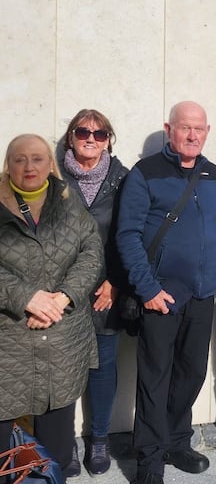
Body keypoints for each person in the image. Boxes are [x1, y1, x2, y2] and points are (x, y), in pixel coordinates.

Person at [116, 101, 216, 484]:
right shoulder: (145, 174)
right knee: (154, 379)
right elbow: (127, 235)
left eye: (199, 129)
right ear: (169, 129)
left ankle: (178, 440)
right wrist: (147, 289)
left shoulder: (213, 174)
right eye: (185, 128)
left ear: (207, 132)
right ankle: (149, 459)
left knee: (191, 372)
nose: (192, 135)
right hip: (160, 296)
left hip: (202, 295)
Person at [0, 134, 103, 483]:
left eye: (37, 158)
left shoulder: (66, 199)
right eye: (19, 159)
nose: (29, 167)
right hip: (9, 348)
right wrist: (26, 297)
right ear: (7, 165)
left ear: (50, 163)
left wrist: (62, 297)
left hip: (62, 346)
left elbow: (92, 252)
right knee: (6, 458)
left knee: (56, 452)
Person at [59, 109, 129, 476]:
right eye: (83, 132)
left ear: (108, 140)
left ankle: (98, 439)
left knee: (102, 368)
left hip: (105, 291)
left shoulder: (122, 179)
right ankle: (64, 443)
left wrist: (115, 281)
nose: (91, 138)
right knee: (65, 371)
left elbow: (129, 235)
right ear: (70, 137)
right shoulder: (52, 177)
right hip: (62, 294)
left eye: (100, 134)